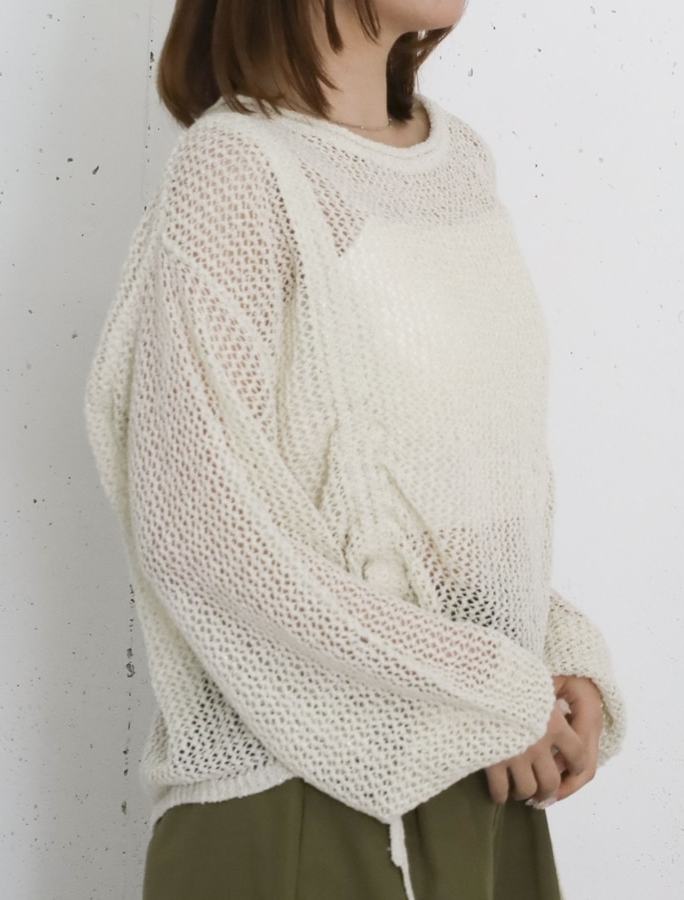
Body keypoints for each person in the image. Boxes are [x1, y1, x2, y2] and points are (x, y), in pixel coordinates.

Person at [85, 1, 625, 897]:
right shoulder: (238, 168)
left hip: (482, 777)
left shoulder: (459, 163)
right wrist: (494, 690)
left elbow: (454, 493)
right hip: (304, 794)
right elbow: (202, 534)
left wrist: (553, 648)